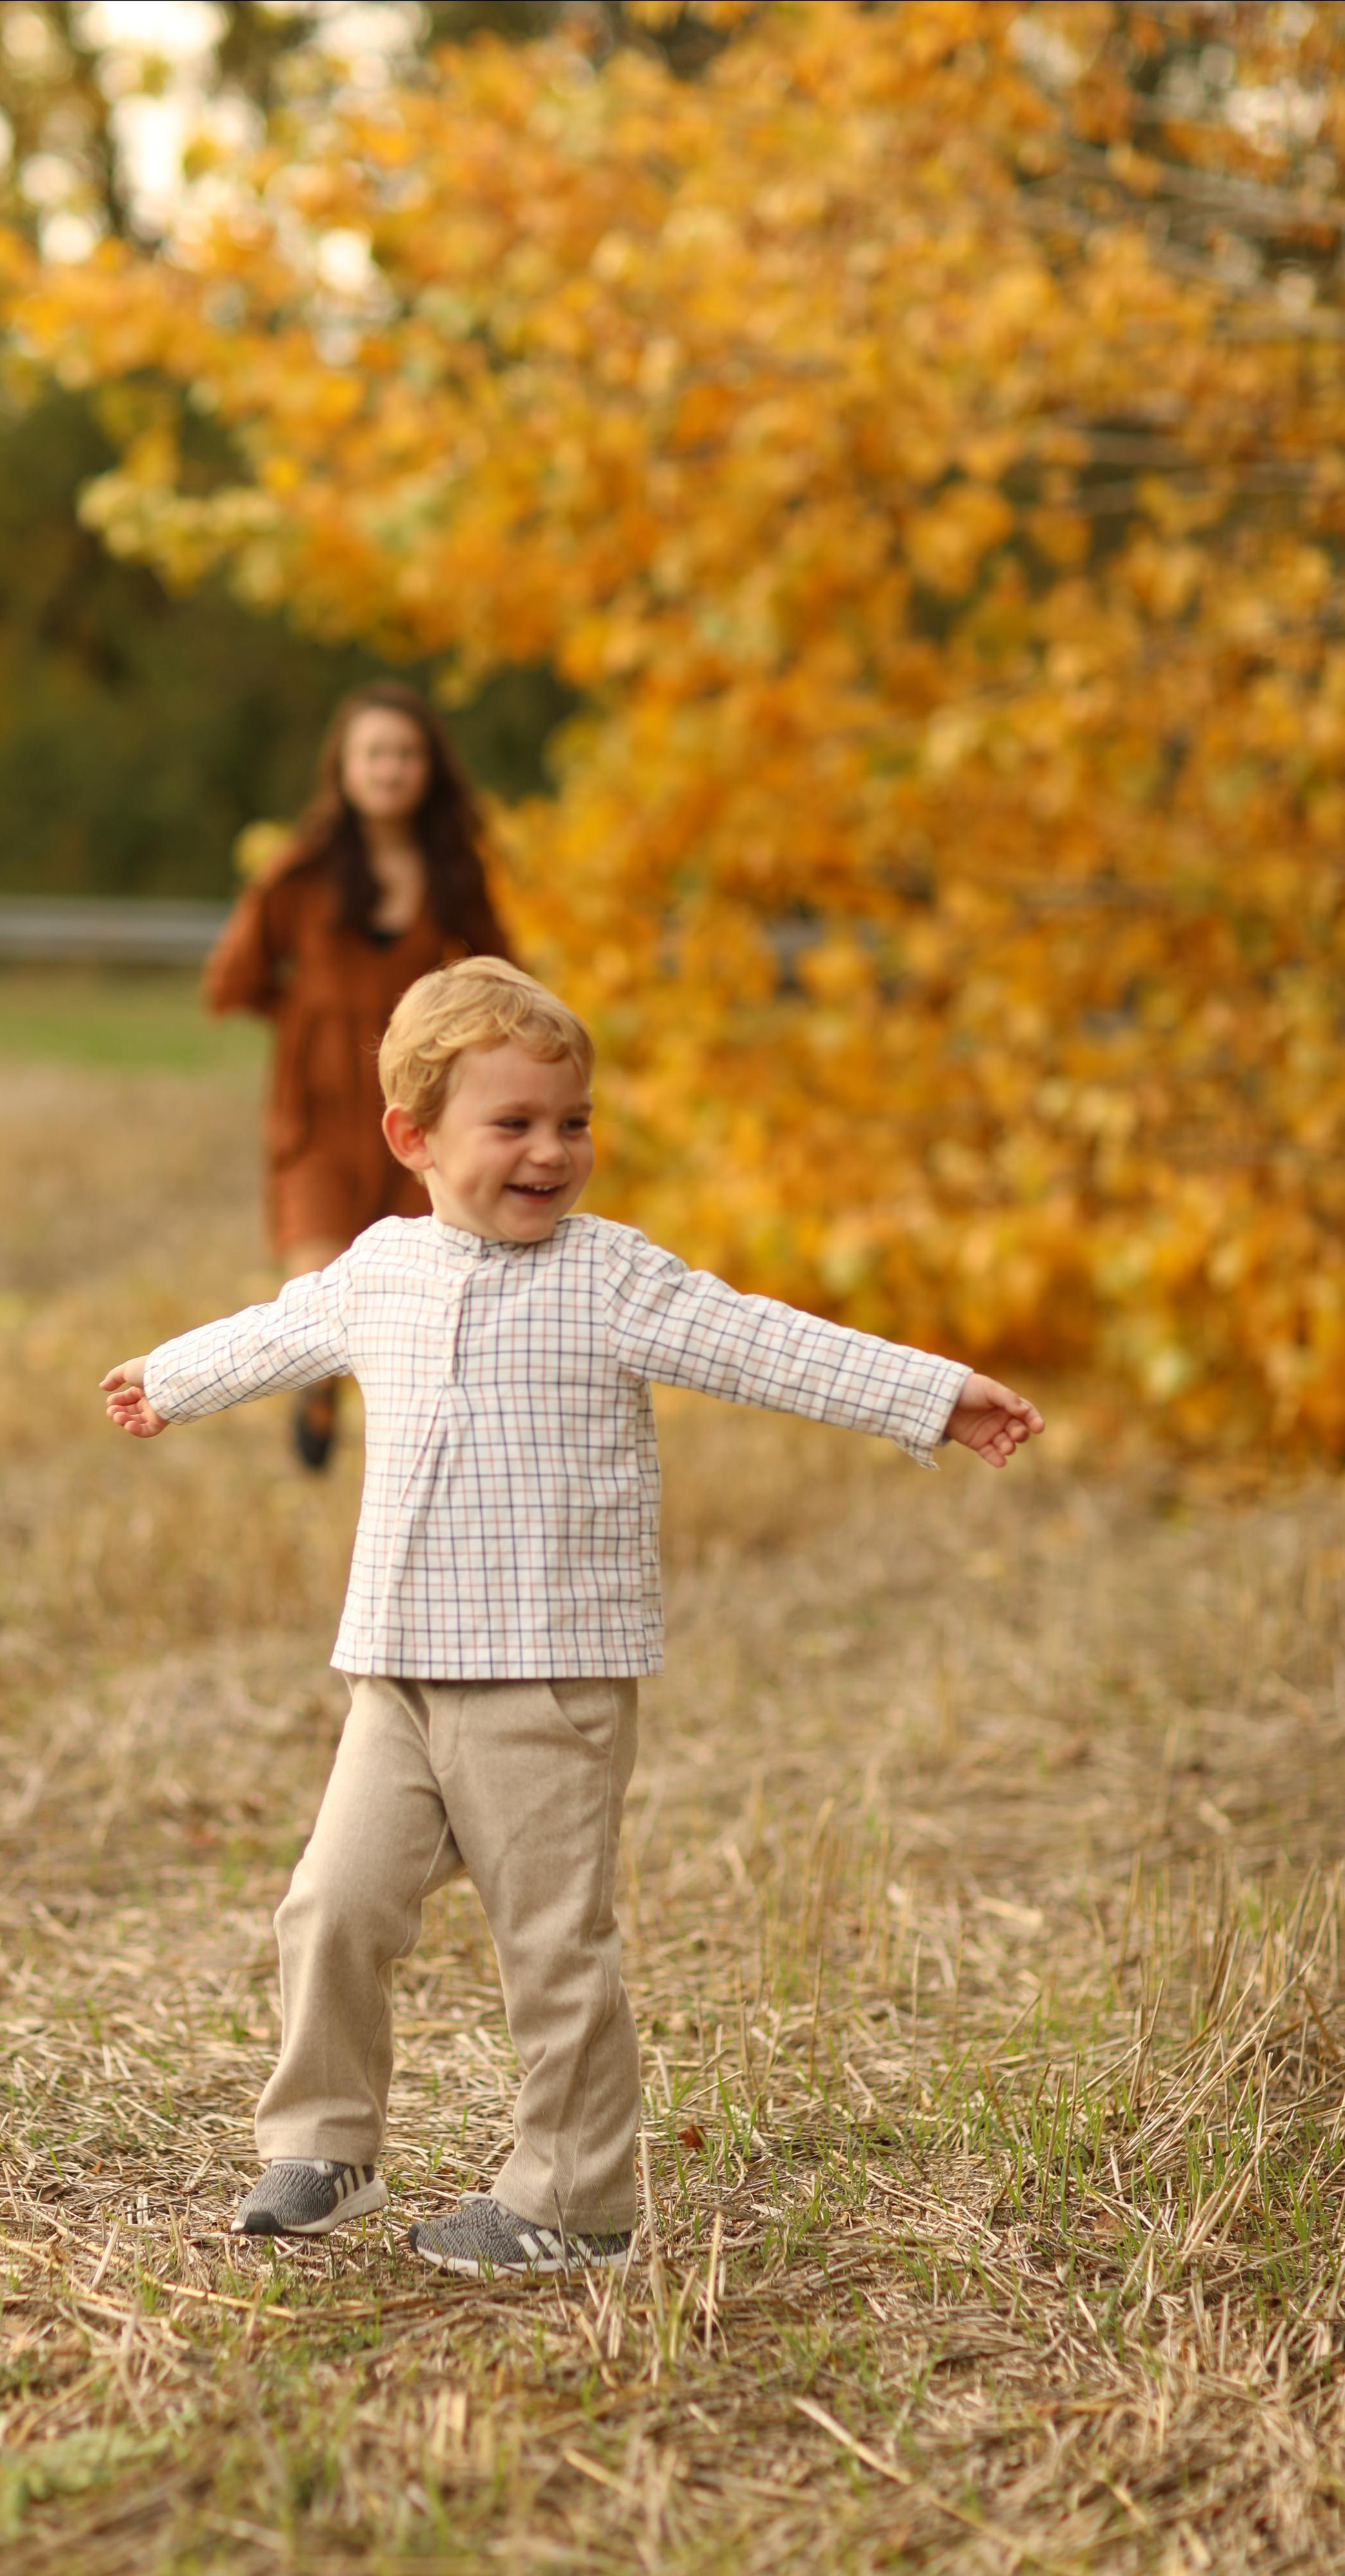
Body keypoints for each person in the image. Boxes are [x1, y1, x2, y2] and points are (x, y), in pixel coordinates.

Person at [101, 959, 1043, 2278]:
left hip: (550, 1683)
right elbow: (283, 1330)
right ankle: (324, 2144)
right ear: (413, 1139)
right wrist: (171, 1377)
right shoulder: (382, 1267)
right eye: (516, 1124)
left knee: (552, 1950)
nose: (553, 1150)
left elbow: (763, 1341)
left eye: (573, 1122)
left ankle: (574, 2201)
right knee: (332, 1906)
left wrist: (929, 1394)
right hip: (398, 1676)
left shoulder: (614, 1278)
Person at [202, 682, 514, 1469]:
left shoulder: (451, 871)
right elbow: (230, 982)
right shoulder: (300, 873)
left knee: (418, 1277)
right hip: (314, 1110)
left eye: (406, 754)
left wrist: (450, 1043)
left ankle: (409, 1432)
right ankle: (319, 1388)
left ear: (428, 770)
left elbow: (500, 976)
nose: (390, 769)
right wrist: (312, 1018)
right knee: (317, 1279)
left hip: (414, 1107)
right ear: (343, 767)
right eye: (375, 752)